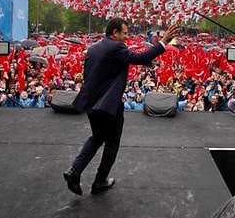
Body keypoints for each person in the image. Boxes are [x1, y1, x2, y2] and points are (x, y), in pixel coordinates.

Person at [63, 18, 178, 196]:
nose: (126, 37)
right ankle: (99, 182)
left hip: (92, 103)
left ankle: (74, 170)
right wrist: (162, 42)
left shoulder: (93, 48)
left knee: (97, 137)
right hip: (109, 106)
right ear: (115, 33)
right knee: (112, 143)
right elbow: (142, 58)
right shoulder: (116, 47)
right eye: (124, 33)